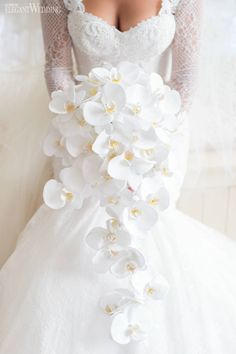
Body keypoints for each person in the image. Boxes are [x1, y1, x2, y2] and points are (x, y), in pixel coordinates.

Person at [0, 0, 236, 353]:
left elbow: (185, 76)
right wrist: (89, 131)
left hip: (158, 137)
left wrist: (146, 137)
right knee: (75, 227)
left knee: (147, 231)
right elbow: (57, 68)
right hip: (81, 133)